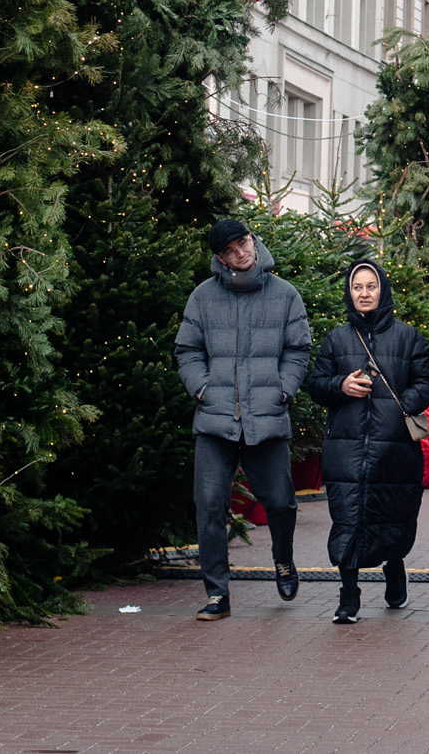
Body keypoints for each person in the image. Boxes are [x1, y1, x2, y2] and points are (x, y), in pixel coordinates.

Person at [175, 219, 311, 621]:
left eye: (244, 242)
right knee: (210, 505)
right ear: (220, 258)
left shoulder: (286, 295)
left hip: (266, 417)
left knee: (281, 503)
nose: (242, 252)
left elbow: (298, 349)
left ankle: (283, 561)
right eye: (231, 249)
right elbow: (187, 351)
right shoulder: (202, 298)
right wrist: (203, 390)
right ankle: (218, 594)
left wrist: (282, 391)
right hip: (215, 421)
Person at [307, 261, 429, 624]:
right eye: (357, 287)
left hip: (393, 448)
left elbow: (427, 382)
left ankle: (394, 567)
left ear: (383, 290)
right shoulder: (336, 339)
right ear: (349, 294)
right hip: (345, 449)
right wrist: (340, 386)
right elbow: (316, 384)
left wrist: (401, 409)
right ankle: (348, 595)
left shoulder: (408, 337)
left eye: (371, 286)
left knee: (392, 514)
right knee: (347, 518)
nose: (364, 294)